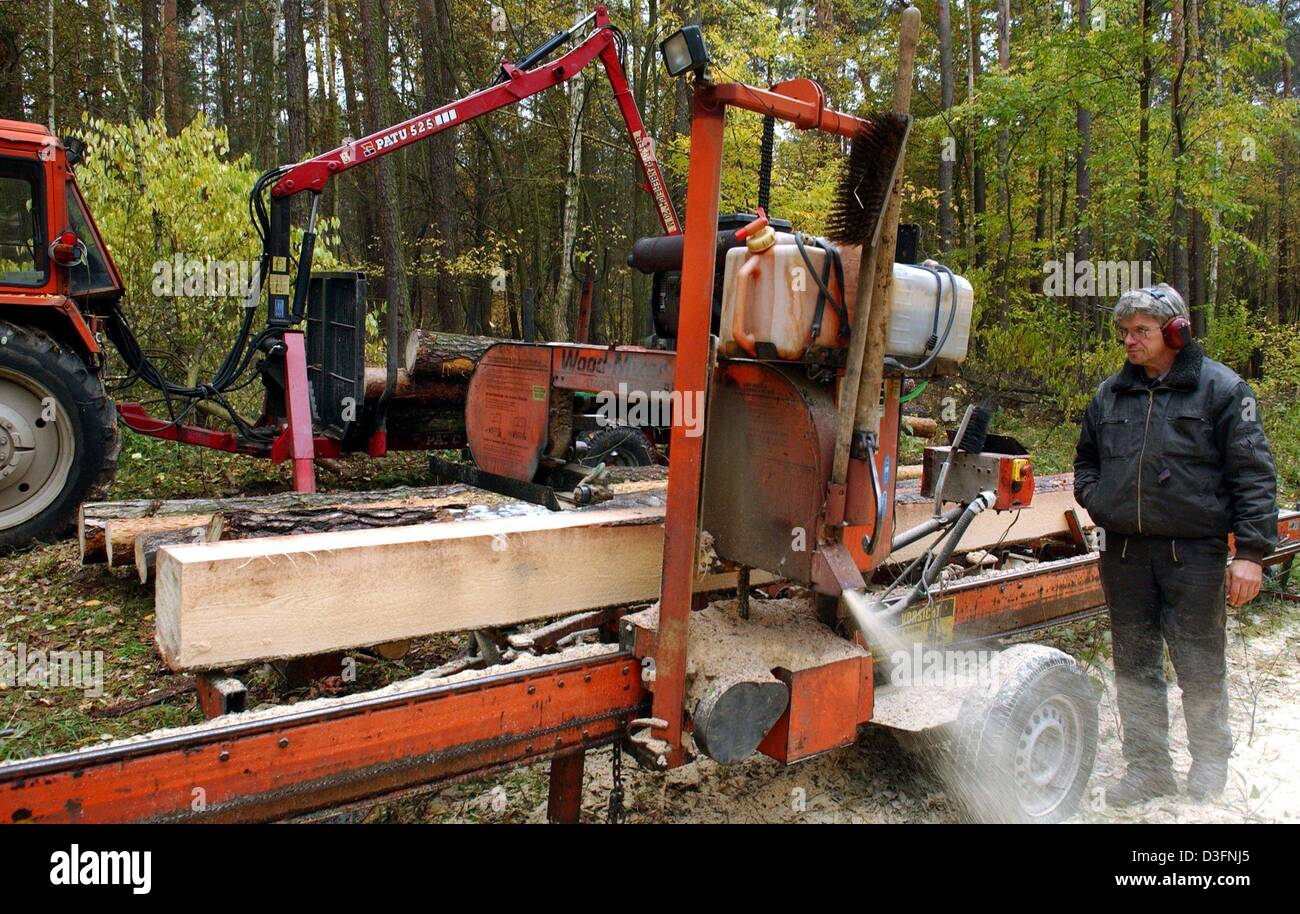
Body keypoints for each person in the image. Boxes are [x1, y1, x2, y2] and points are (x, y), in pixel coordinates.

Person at [1073, 283, 1277, 806]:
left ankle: (1209, 762)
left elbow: (1254, 477)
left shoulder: (1223, 391)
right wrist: (1100, 500)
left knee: (1199, 664)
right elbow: (1086, 461)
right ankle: (1148, 770)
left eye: (1141, 331)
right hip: (1124, 555)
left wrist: (1251, 554)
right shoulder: (1109, 395)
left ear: (1175, 331)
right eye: (1124, 332)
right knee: (1135, 667)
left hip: (1195, 557)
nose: (1129, 342)